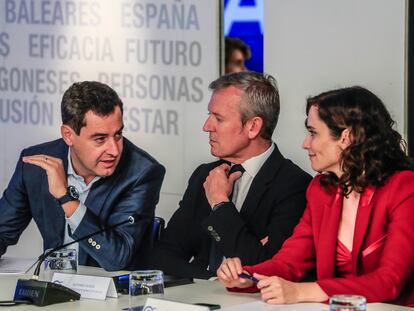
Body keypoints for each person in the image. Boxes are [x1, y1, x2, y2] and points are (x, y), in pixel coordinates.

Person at [217, 86, 414, 307]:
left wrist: (302, 291)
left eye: (313, 133)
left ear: (346, 137)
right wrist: (246, 276)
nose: (305, 144)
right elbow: (289, 264)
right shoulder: (321, 190)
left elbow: (389, 282)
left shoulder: (404, 187)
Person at [149, 72, 312, 279]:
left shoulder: (295, 186)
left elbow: (268, 270)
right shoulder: (204, 175)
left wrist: (220, 204)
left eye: (218, 118)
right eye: (209, 116)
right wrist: (211, 279)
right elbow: (163, 256)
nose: (207, 126)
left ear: (253, 126)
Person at [0, 81, 165, 271]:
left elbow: (117, 258)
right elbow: (3, 230)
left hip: (113, 295)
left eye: (118, 135)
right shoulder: (36, 165)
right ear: (68, 135)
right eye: (100, 139)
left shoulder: (142, 173)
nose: (114, 149)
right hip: (52, 289)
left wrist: (66, 199)